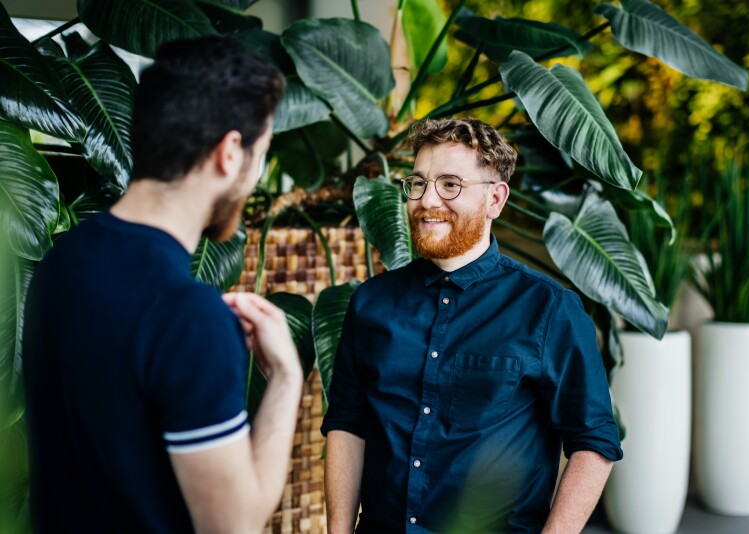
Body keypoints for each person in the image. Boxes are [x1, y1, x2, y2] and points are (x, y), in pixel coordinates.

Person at [23, 36, 303, 533]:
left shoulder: (60, 261)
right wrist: (286, 380)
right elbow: (232, 526)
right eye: (262, 153)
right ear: (230, 153)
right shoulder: (190, 316)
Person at [322, 118, 623, 533]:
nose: (428, 200)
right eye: (418, 183)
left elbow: (594, 441)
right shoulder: (371, 303)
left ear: (495, 200)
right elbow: (347, 424)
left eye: (450, 184)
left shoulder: (550, 309)